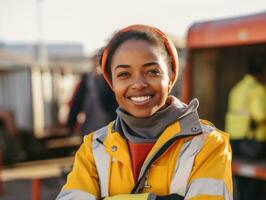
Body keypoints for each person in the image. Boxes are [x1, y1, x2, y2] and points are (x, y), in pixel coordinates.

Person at [57, 24, 232, 200]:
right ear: (112, 83)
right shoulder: (94, 148)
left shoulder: (208, 144)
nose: (139, 84)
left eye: (152, 71)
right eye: (124, 74)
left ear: (171, 77)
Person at [225, 59, 266, 200]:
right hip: (251, 142)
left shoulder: (236, 88)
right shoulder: (257, 89)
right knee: (255, 189)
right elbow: (260, 115)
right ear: (260, 74)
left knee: (242, 185)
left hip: (234, 140)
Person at [67, 55, 118, 135]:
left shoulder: (108, 80)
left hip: (108, 125)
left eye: (98, 65)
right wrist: (71, 125)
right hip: (89, 126)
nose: (96, 67)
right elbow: (77, 103)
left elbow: (115, 103)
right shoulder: (86, 80)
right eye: (94, 64)